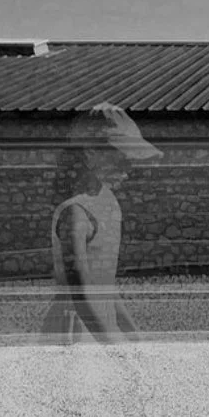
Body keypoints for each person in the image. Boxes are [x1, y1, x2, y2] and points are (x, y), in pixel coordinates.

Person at [38, 102, 161, 345]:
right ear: (91, 153)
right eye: (121, 157)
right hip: (75, 332)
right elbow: (81, 294)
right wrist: (115, 348)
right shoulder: (75, 212)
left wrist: (136, 339)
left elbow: (105, 286)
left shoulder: (109, 203)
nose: (129, 167)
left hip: (104, 327)